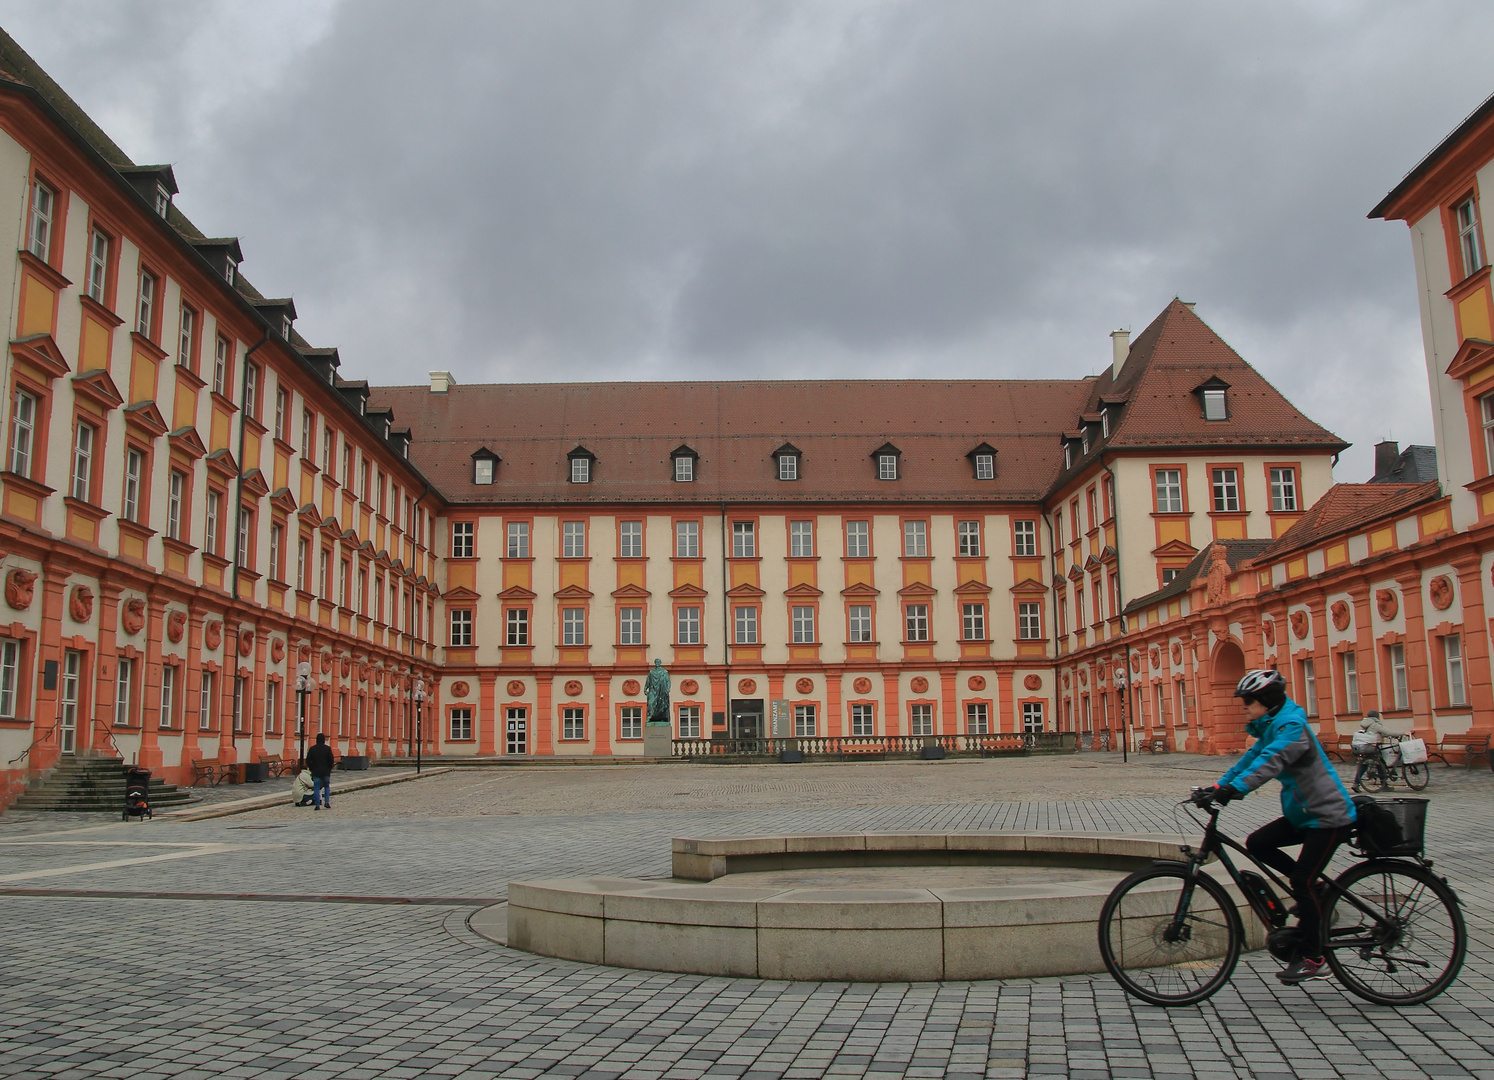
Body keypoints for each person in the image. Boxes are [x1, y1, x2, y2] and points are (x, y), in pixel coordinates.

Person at [1198, 669, 1357, 985]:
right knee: (1258, 843)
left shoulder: (1291, 728)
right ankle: (1320, 892)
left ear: (1265, 701)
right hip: (1305, 815)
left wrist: (1235, 790)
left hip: (1327, 817)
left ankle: (1314, 957)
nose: (1244, 708)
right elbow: (1250, 760)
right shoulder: (1273, 726)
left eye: (1247, 703)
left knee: (1301, 880)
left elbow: (1272, 761)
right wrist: (1217, 785)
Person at [1351, 710, 1395, 792]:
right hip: (1373, 746)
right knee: (1379, 763)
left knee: (1365, 764)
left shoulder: (1365, 724)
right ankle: (1384, 784)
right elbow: (1388, 732)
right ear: (1376, 717)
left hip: (1366, 746)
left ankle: (1356, 783)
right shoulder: (1375, 725)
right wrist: (1403, 733)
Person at [306, 733, 335, 810]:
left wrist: (312, 768)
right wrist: (329, 768)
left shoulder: (312, 749)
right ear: (324, 740)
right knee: (326, 786)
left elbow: (308, 760)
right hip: (325, 771)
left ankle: (317, 804)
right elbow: (331, 760)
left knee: (316, 788)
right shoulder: (327, 749)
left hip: (316, 771)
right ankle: (327, 802)